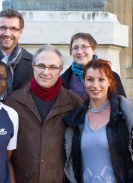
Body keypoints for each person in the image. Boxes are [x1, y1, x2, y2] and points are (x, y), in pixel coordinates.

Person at [63, 59, 133, 183]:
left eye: (101, 79)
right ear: (84, 82)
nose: (95, 85)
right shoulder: (76, 119)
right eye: (90, 79)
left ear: (109, 81)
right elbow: (70, 164)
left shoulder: (128, 114)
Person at [5, 45, 83, 183]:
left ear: (60, 70)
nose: (46, 72)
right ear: (33, 66)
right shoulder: (13, 102)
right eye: (41, 65)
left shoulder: (73, 102)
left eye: (53, 67)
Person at [61, 32, 126, 100]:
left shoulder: (112, 77)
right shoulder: (62, 81)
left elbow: (121, 105)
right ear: (71, 52)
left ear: (93, 50)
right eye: (75, 48)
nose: (79, 52)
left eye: (84, 47)